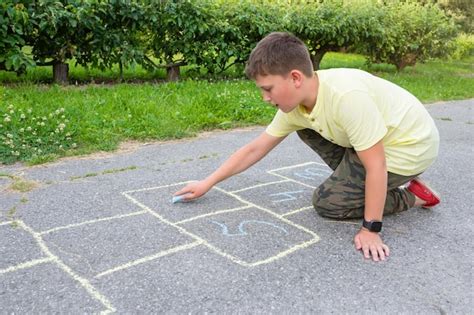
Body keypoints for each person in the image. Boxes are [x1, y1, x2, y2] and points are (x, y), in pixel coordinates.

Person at [174, 32, 440, 262]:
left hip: (409, 147)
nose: (265, 98)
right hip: (376, 142)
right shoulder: (297, 105)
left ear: (295, 78)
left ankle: (415, 196)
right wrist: (207, 182)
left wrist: (371, 229)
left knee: (328, 203)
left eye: (268, 89)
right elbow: (256, 148)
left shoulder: (347, 98)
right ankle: (360, 183)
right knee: (306, 129)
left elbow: (377, 165)